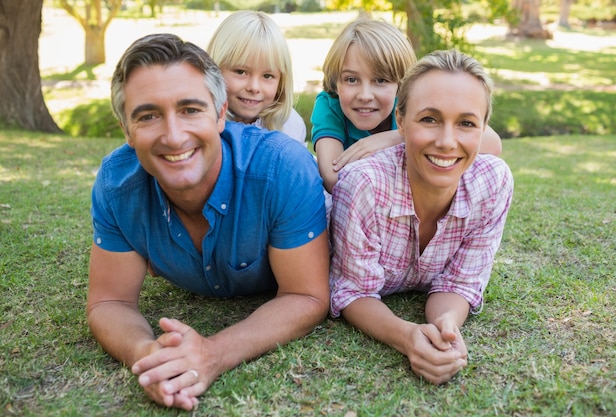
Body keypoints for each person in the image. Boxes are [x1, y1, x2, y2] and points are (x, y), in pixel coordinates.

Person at [87, 33, 329, 411]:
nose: (173, 135)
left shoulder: (283, 167)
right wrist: (151, 356)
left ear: (220, 114)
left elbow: (307, 295)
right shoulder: (116, 186)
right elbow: (110, 301)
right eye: (148, 116)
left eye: (190, 110)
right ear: (126, 130)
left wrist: (213, 353)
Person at [328, 49, 514, 385]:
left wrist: (445, 326)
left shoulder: (493, 182)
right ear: (400, 121)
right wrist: (407, 336)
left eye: (466, 123)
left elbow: (459, 282)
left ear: (484, 128)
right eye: (429, 119)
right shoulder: (365, 184)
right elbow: (353, 290)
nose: (446, 142)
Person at [311, 18, 503, 194]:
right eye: (351, 79)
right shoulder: (330, 106)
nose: (365, 95)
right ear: (336, 82)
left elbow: (492, 144)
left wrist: (394, 137)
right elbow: (333, 178)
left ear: (400, 85)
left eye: (380, 80)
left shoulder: (410, 103)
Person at [207, 10, 307, 145]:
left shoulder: (289, 127)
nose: (254, 87)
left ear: (281, 82)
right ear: (215, 69)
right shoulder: (201, 122)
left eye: (267, 76)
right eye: (241, 72)